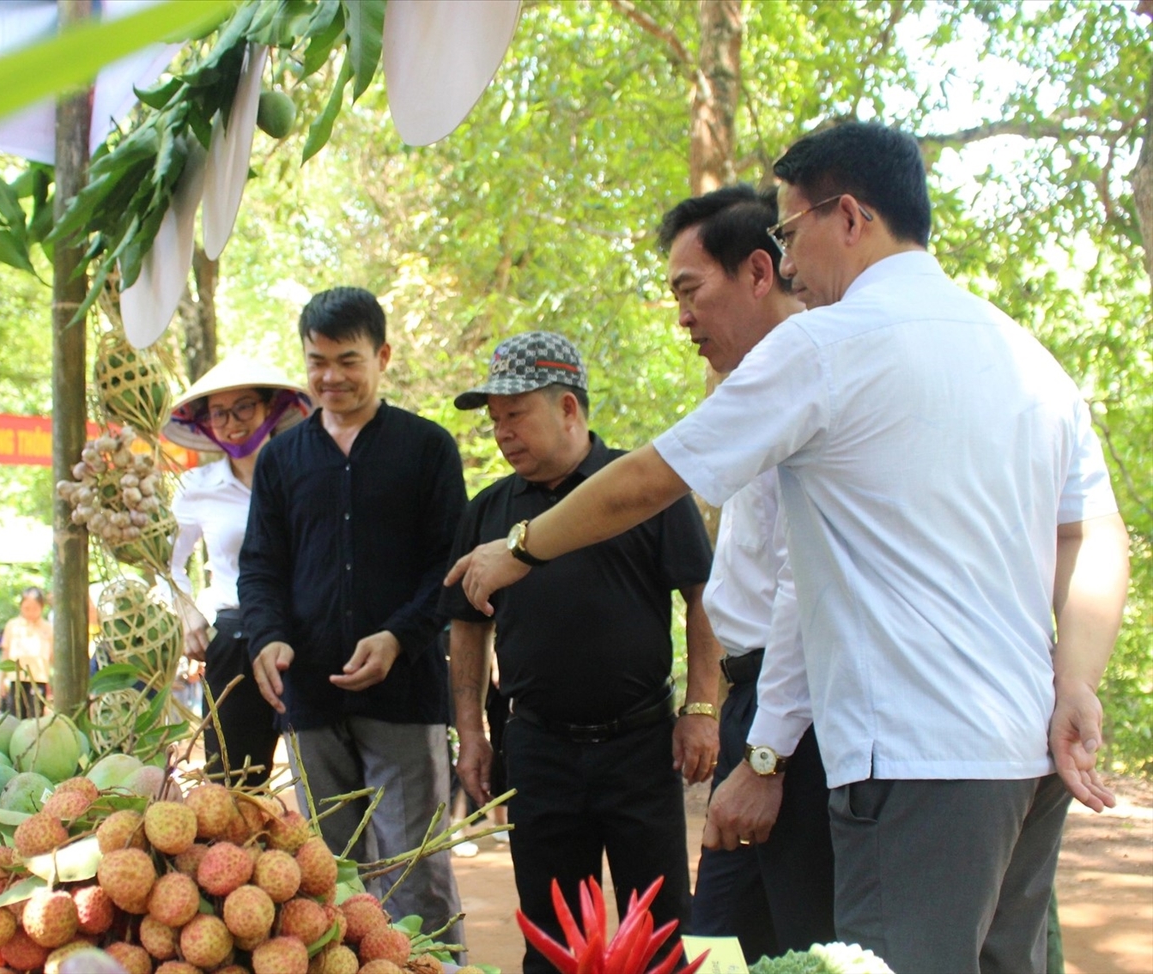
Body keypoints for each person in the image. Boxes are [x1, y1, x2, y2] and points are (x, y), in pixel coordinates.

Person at [448, 121, 1129, 974]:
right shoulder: (1029, 358)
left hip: (912, 757)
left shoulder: (828, 344)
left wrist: (521, 546)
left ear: (849, 217)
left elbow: (651, 479)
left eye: (789, 229)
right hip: (1025, 753)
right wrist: (1076, 682)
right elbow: (1094, 534)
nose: (790, 262)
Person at [441, 331, 719, 971]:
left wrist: (702, 708)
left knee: (662, 934)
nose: (501, 433)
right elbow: (466, 624)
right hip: (538, 750)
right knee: (552, 938)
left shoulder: (642, 490)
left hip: (641, 746)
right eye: (494, 421)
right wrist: (472, 732)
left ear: (568, 408)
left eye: (515, 415)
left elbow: (704, 599)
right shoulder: (488, 510)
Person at [240, 286, 467, 945]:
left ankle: (432, 965)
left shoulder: (427, 449)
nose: (330, 377)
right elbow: (260, 565)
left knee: (412, 868)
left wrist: (400, 636)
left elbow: (448, 567)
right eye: (317, 361)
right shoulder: (281, 459)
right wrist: (267, 638)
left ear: (382, 356)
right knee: (324, 873)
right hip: (306, 694)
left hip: (405, 695)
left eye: (348, 360)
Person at [656, 185, 835, 960]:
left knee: (800, 939)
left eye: (691, 291)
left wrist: (767, 756)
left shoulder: (815, 377)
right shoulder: (752, 386)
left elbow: (803, 589)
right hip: (754, 701)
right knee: (724, 939)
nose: (683, 318)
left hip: (792, 710)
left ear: (760, 273)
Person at [163, 356, 312, 785]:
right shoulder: (196, 487)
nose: (232, 423)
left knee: (320, 779)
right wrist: (188, 614)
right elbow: (168, 565)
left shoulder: (303, 474)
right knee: (234, 784)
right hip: (234, 640)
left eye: (244, 407)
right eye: (219, 413)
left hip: (305, 634)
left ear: (272, 407)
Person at [0, 587, 52, 718]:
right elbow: (5, 653)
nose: (30, 613)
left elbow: (53, 657)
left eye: (35, 608)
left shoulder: (48, 628)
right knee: (15, 716)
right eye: (26, 608)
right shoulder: (12, 625)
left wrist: (54, 682)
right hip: (16, 678)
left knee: (36, 717)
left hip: (38, 678)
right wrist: (1, 680)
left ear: (42, 607)